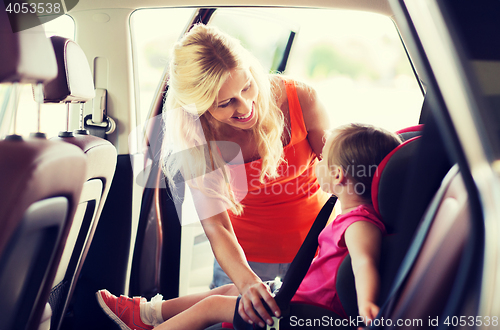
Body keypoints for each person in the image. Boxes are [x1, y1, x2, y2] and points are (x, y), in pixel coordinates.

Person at [97, 123, 402, 330]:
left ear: (337, 176)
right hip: (295, 298)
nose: (316, 165)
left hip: (303, 315)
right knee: (232, 288)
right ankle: (146, 314)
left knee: (214, 304)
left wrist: (368, 310)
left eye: (323, 161)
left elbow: (363, 263)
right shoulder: (345, 214)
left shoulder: (359, 223)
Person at [157, 23, 330, 325]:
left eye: (247, 86)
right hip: (239, 263)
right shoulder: (196, 135)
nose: (246, 106)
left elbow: (338, 170)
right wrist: (246, 281)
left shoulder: (302, 99)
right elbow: (217, 227)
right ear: (198, 107)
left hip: (313, 254)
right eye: (226, 103)